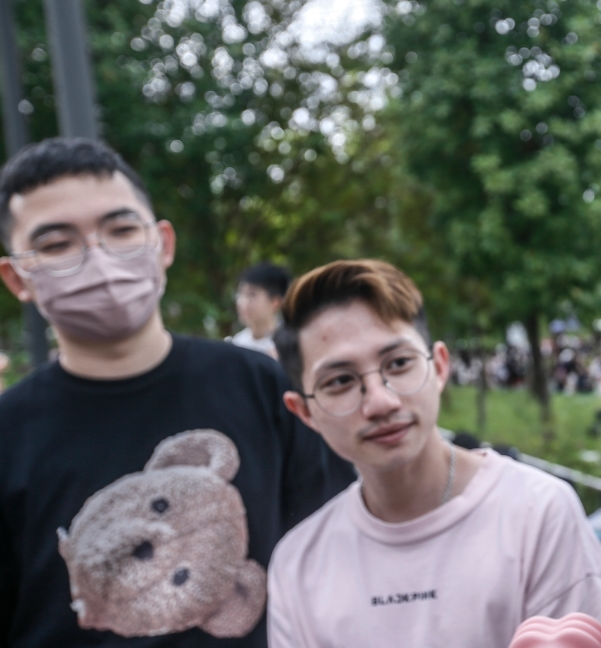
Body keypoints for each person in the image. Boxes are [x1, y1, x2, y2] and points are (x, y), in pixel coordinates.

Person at [0, 138, 355, 646]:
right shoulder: (8, 436)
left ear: (162, 244)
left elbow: (342, 559)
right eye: (57, 245)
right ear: (18, 277)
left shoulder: (266, 390)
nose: (97, 258)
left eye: (121, 230)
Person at [267, 259, 601, 648]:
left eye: (398, 363)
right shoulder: (299, 566)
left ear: (439, 366)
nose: (380, 401)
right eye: (340, 381)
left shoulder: (536, 513)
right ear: (304, 411)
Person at [231, 262, 292, 358]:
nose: (242, 302)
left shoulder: (290, 344)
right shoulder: (237, 344)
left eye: (252, 295)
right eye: (240, 293)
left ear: (275, 302)